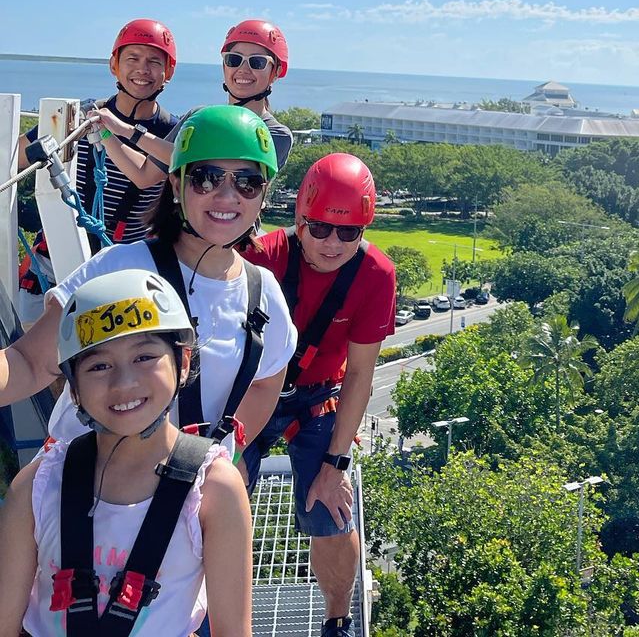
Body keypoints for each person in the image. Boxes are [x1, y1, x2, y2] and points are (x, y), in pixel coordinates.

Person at [0, 104, 297, 461]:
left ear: (263, 195)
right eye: (206, 177)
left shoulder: (262, 295)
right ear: (176, 183)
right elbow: (29, 363)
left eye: (248, 182)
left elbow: (266, 380)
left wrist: (228, 453)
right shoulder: (121, 267)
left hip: (183, 493)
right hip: (80, 484)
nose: (227, 196)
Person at [0, 268, 253, 637]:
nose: (125, 382)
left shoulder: (214, 490)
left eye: (144, 357)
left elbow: (233, 630)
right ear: (74, 389)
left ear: (182, 363)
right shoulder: (39, 485)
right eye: (99, 366)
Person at [242, 153, 396, 637]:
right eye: (321, 228)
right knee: (215, 500)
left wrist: (337, 464)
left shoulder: (374, 274)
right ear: (299, 220)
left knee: (328, 510)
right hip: (252, 389)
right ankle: (211, 613)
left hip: (319, 395)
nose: (333, 243)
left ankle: (337, 618)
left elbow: (360, 376)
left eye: (348, 232)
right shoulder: (262, 257)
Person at [17, 18, 180, 257]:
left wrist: (108, 131)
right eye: (132, 58)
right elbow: (15, 157)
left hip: (125, 262)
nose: (143, 69)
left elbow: (145, 176)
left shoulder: (170, 132)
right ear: (114, 65)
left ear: (168, 72)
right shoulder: (76, 116)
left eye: (154, 61)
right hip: (55, 256)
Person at [94, 19, 293, 188]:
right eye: (234, 59)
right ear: (224, 65)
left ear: (275, 72)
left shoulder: (274, 134)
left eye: (257, 62)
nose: (243, 69)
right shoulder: (198, 118)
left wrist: (128, 130)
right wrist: (104, 130)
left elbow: (206, 164)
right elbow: (143, 175)